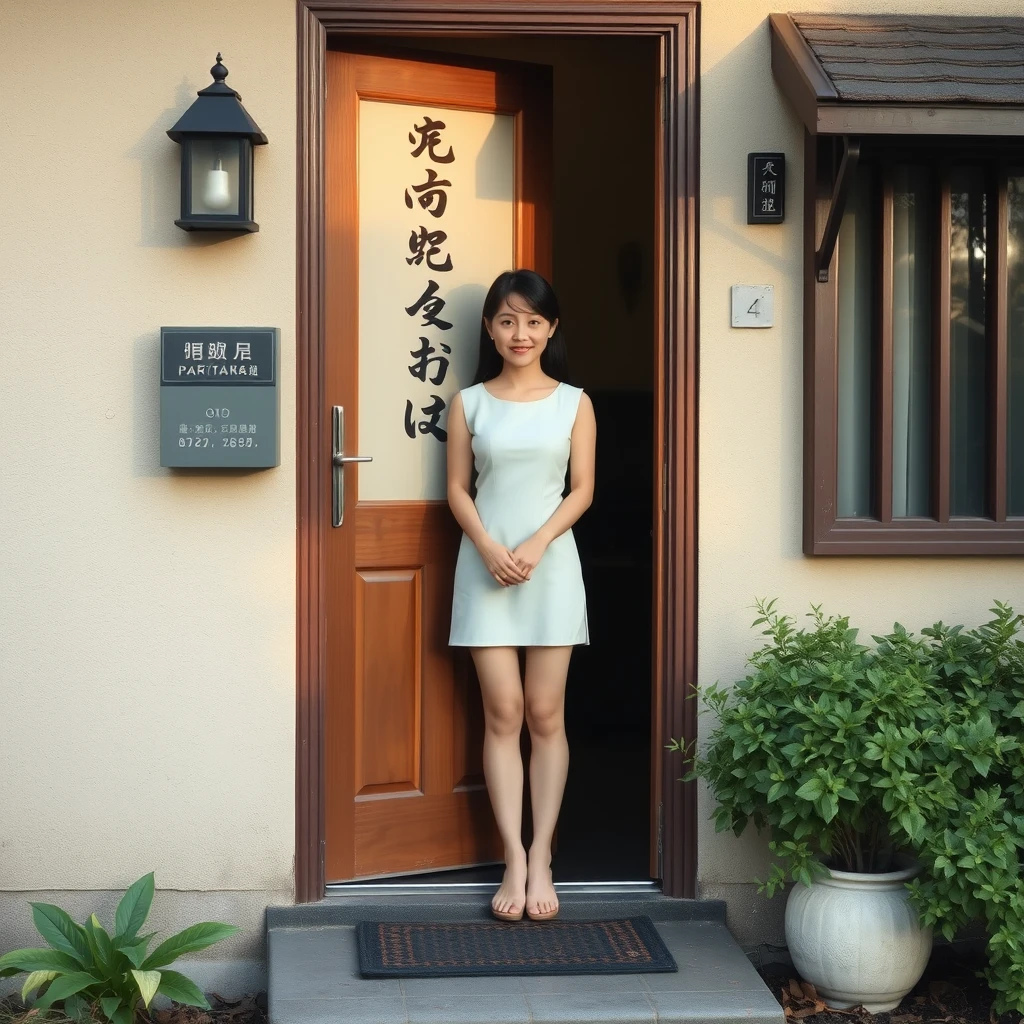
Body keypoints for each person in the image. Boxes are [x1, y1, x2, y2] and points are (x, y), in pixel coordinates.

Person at [447, 269, 596, 923]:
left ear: (551, 328)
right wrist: (486, 545)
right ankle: (512, 856)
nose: (520, 333)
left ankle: (544, 856)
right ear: (489, 327)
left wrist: (536, 544)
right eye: (507, 320)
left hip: (550, 569)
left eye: (533, 321)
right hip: (485, 570)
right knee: (502, 713)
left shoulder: (574, 402)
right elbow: (457, 488)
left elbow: (582, 489)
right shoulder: (469, 403)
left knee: (545, 715)